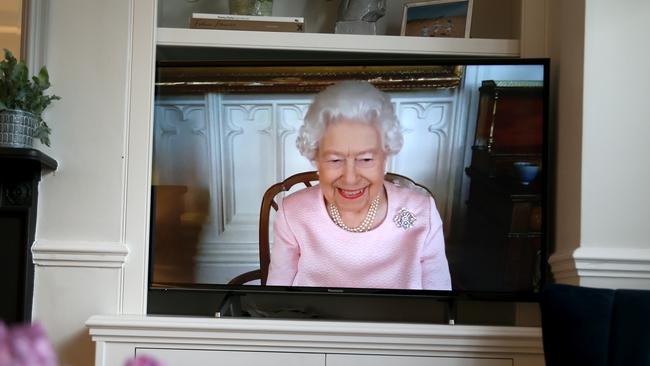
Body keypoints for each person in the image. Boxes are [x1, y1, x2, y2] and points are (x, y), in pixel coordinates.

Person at [266, 80, 451, 290]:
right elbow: (276, 300)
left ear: (385, 157)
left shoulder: (422, 213)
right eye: (335, 160)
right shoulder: (293, 213)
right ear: (316, 159)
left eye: (366, 159)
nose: (350, 178)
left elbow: (440, 307)